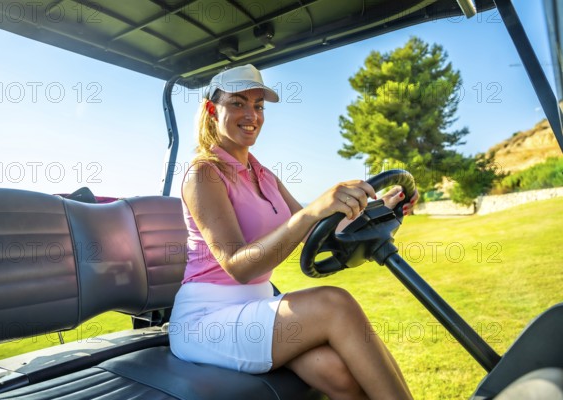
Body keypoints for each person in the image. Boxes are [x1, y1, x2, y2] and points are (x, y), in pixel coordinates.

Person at [169, 64, 418, 400]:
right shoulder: (203, 174)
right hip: (207, 319)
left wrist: (381, 208)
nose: (251, 115)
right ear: (213, 110)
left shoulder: (264, 175)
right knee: (335, 303)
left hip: (258, 308)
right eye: (238, 103)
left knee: (339, 375)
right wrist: (314, 209)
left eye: (258, 106)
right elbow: (239, 266)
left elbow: (319, 228)